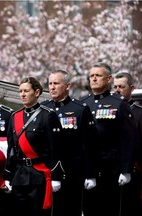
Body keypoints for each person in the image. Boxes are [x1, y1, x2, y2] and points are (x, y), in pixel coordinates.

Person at [80, 62, 138, 216]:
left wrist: (126, 170)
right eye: (91, 76)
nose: (94, 79)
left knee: (110, 208)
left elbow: (129, 139)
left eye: (98, 75)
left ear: (109, 79)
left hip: (112, 168)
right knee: (90, 208)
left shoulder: (119, 104)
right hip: (89, 167)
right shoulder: (83, 104)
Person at [3, 77, 64, 216]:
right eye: (20, 91)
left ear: (36, 93)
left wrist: (56, 176)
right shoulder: (14, 116)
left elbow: (56, 148)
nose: (22, 94)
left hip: (39, 175)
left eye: (26, 91)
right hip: (19, 175)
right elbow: (11, 148)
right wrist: (7, 175)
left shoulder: (48, 116)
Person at [41, 69, 99, 216]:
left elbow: (89, 144)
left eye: (56, 83)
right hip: (48, 170)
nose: (52, 87)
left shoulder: (80, 109)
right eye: (50, 83)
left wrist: (90, 174)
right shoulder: (44, 109)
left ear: (67, 86)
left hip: (73, 170)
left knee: (69, 208)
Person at [113, 71, 142, 216]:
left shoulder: (139, 112)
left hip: (134, 169)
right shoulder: (110, 109)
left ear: (131, 89)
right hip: (111, 167)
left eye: (121, 87)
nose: (117, 90)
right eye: (115, 87)